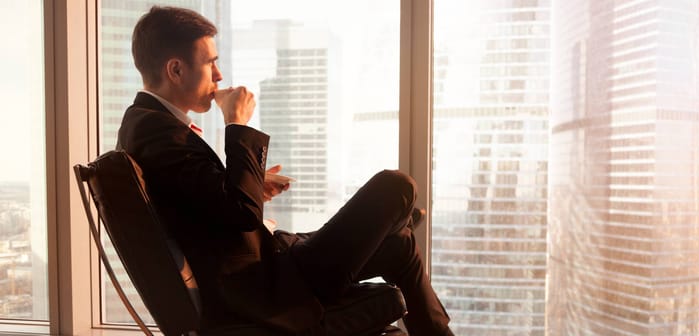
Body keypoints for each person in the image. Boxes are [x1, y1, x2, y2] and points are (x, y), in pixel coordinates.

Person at [116, 6, 453, 336]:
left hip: (275, 263)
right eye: (210, 62)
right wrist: (237, 122)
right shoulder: (159, 134)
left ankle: (401, 234)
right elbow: (242, 213)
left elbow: (205, 202)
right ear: (175, 70)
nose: (219, 75)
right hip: (269, 285)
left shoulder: (148, 125)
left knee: (401, 244)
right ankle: (398, 220)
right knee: (396, 187)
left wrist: (251, 182)